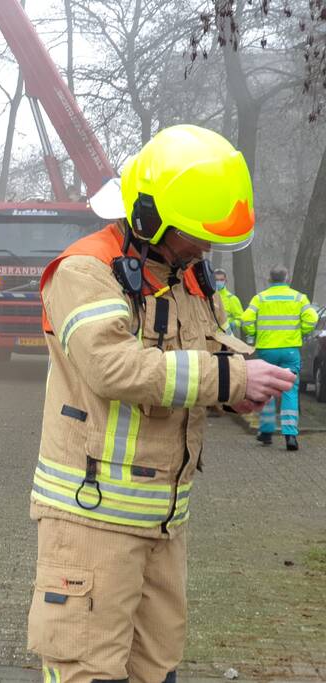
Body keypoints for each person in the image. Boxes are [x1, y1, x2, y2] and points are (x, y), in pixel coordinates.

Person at [30, 124, 295, 683]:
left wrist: (242, 385)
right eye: (194, 234)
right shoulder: (84, 272)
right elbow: (114, 367)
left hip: (163, 518)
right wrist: (229, 379)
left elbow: (209, 349)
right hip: (91, 514)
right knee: (87, 667)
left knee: (157, 668)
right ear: (149, 217)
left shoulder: (184, 272)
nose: (205, 248)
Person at [241, 265, 319, 451]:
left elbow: (246, 319)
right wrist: (301, 331)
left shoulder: (260, 298)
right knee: (290, 389)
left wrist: (253, 333)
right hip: (290, 350)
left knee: (267, 389)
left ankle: (266, 432)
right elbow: (312, 318)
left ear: (270, 278)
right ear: (287, 278)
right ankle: (290, 435)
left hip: (267, 350)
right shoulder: (299, 298)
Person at [213, 268, 244, 337]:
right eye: (216, 280)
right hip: (211, 335)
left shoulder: (232, 299)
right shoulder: (207, 297)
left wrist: (232, 324)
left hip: (226, 336)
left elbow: (241, 318)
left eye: (221, 280)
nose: (219, 282)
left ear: (225, 281)